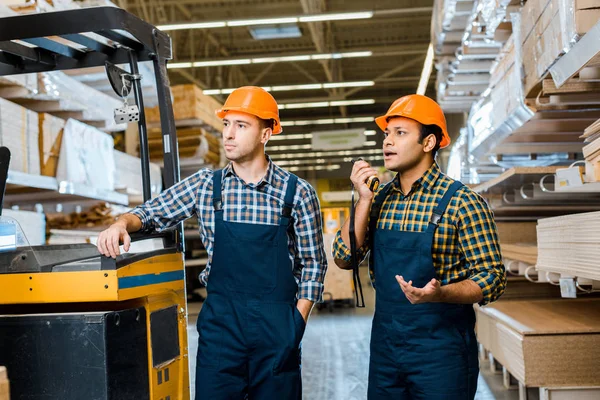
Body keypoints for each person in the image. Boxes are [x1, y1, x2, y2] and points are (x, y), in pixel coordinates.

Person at [97, 86, 327, 399]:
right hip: (222, 332)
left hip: (277, 332)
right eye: (226, 124)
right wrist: (120, 223)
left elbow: (313, 263)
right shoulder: (206, 186)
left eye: (241, 126)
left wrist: (295, 324)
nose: (228, 135)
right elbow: (151, 212)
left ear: (266, 133)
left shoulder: (297, 193)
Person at [333, 94, 506, 400]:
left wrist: (442, 293)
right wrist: (362, 200)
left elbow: (492, 277)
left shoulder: (462, 202)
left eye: (400, 133)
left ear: (428, 143)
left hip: (442, 351)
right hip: (386, 347)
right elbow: (345, 257)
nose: (388, 141)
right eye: (387, 133)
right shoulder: (379, 200)